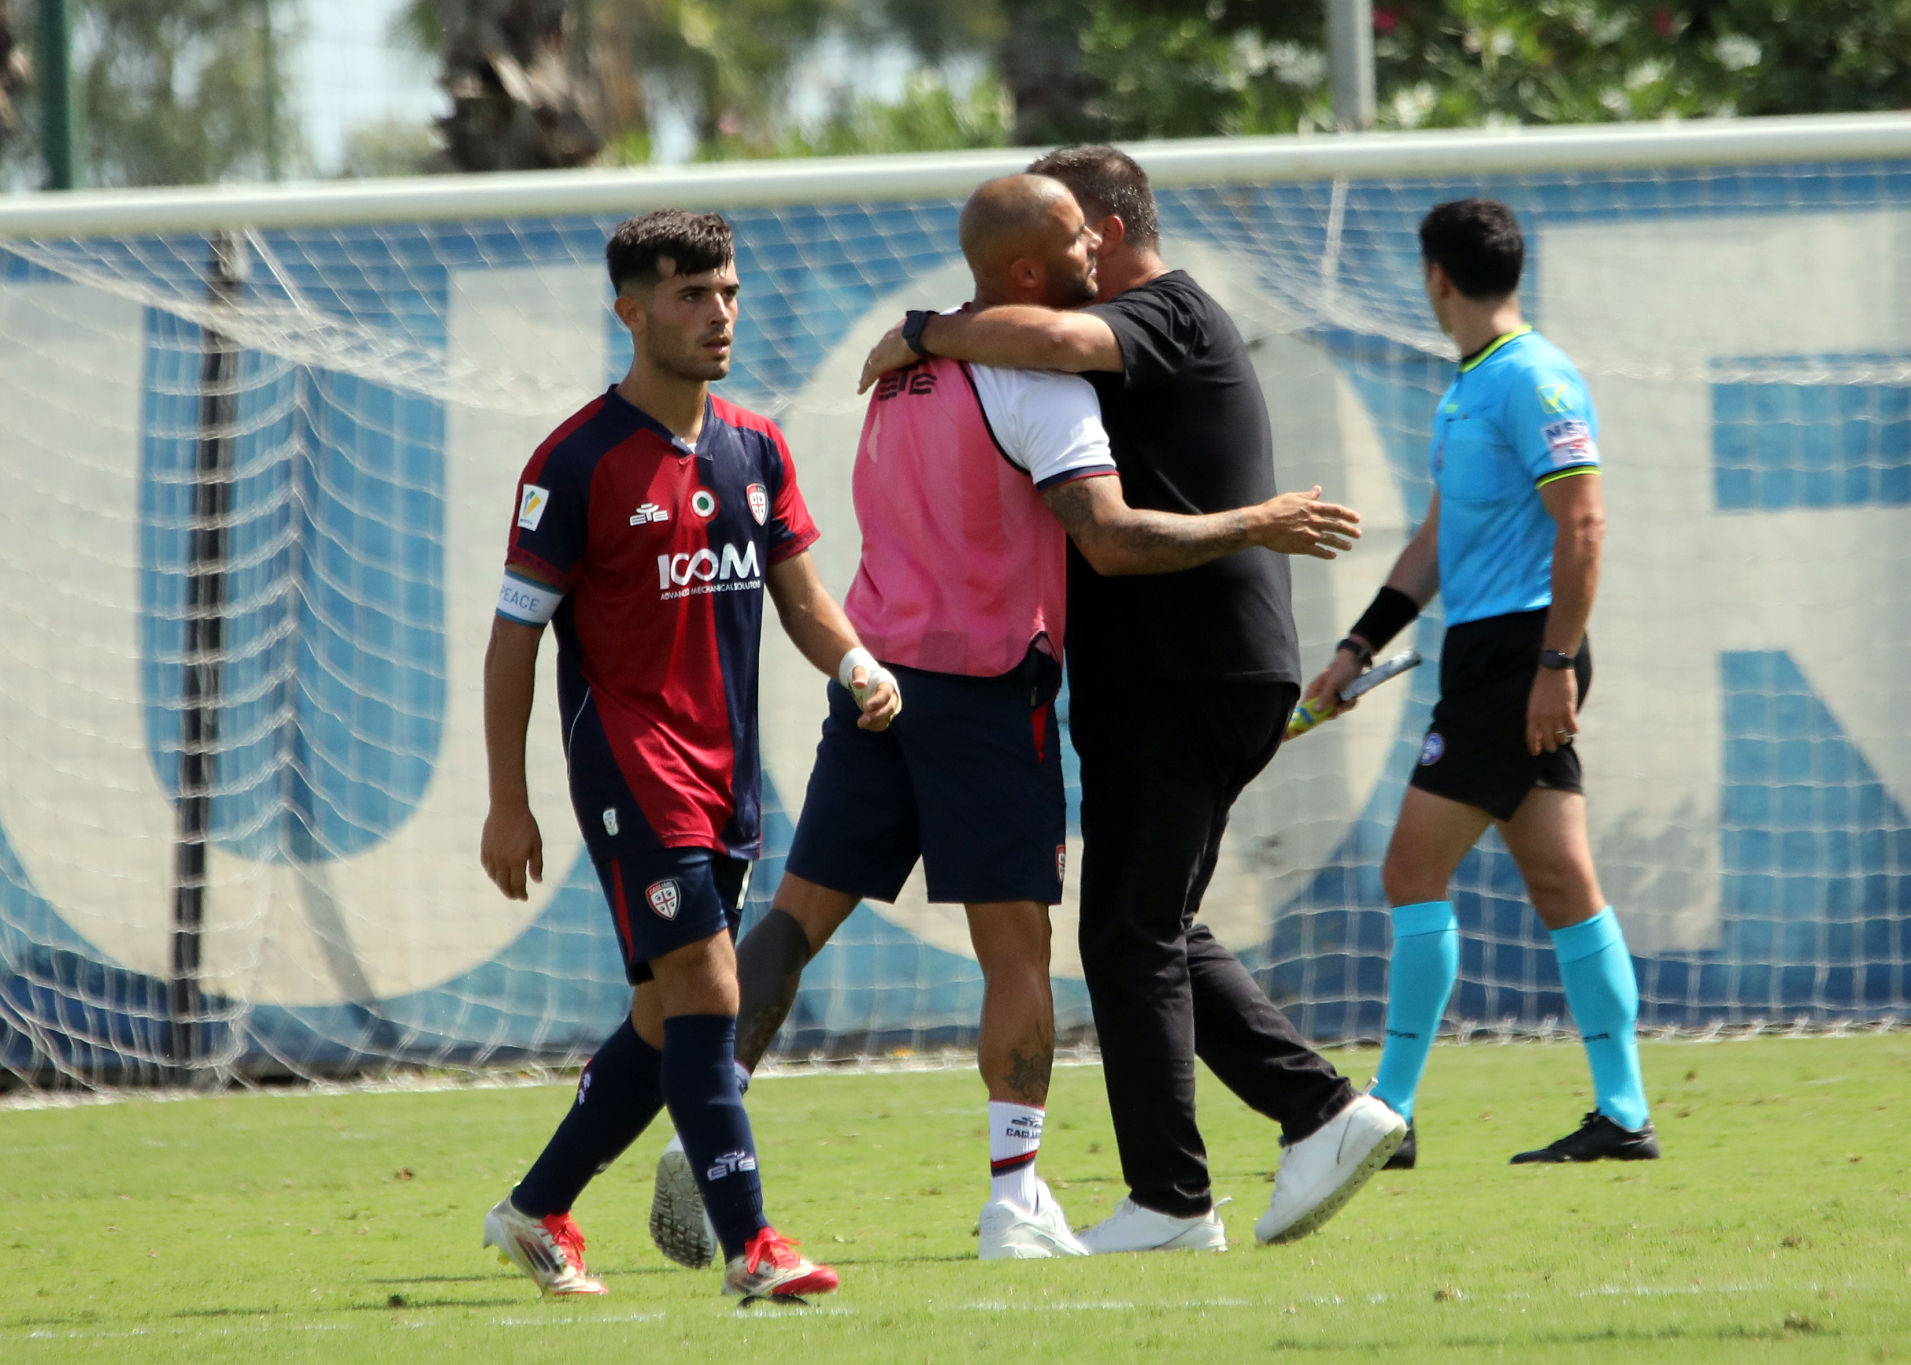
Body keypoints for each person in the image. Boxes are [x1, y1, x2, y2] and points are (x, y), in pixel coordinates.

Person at [646, 174, 1364, 1265]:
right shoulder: (1040, 383)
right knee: (1019, 952)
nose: (1096, 252)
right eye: (1075, 241)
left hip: (878, 682)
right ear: (1029, 271)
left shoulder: (895, 379)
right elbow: (1108, 538)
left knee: (794, 920)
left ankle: (712, 1125)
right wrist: (1260, 521)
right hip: (988, 691)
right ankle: (1015, 1199)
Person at [849, 145, 1407, 1253]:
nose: (1074, 253)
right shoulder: (1129, 331)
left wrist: (925, 328)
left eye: (1073, 230)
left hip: (1183, 665)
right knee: (1146, 925)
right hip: (1182, 669)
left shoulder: (1168, 311)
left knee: (1127, 933)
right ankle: (1319, 1115)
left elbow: (1052, 340)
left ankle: (1175, 1197)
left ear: (1100, 226)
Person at [477, 208, 900, 1302]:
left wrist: (855, 664)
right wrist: (505, 803)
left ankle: (535, 1211)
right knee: (711, 990)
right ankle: (752, 1249)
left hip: (726, 776)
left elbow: (802, 599)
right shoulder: (572, 463)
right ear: (630, 311)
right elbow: (513, 637)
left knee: (667, 1015)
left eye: (727, 294)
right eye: (689, 296)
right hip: (630, 765)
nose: (717, 316)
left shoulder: (753, 445)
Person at [1301, 198, 1657, 1166]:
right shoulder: (1468, 388)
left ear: (1436, 278)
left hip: (1516, 659)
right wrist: (1357, 646)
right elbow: (1435, 540)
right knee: (1560, 881)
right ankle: (1622, 1115)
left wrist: (1552, 665)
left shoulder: (1533, 379)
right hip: (1493, 655)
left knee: (1409, 871)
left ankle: (1388, 1115)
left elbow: (1582, 524)